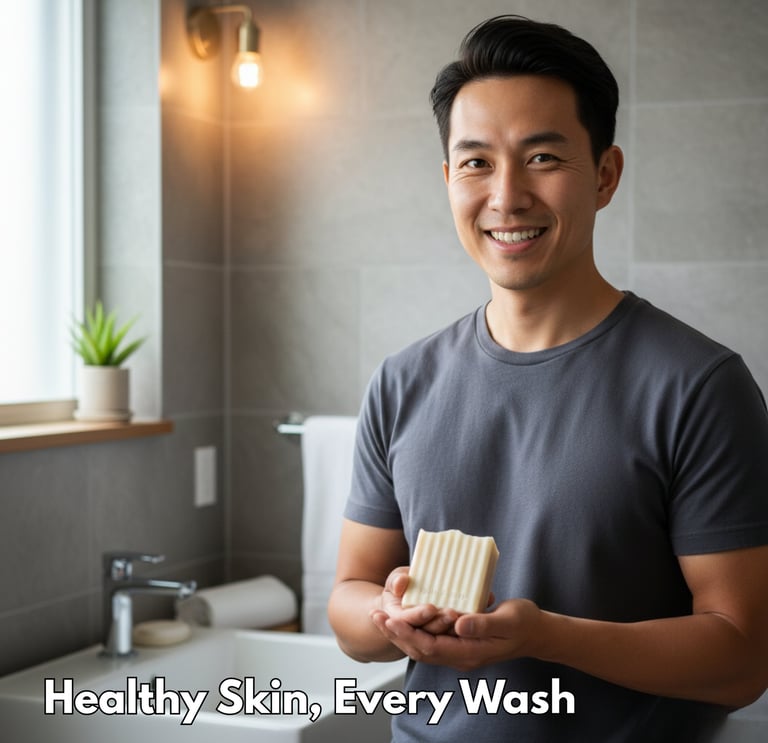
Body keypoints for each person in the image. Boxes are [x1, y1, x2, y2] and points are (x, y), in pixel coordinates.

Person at [328, 15, 768, 742]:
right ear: (448, 181)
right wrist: (391, 614)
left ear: (604, 174)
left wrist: (544, 636)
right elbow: (349, 602)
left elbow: (742, 656)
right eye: (475, 163)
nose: (505, 196)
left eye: (541, 158)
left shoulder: (698, 386)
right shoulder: (400, 383)